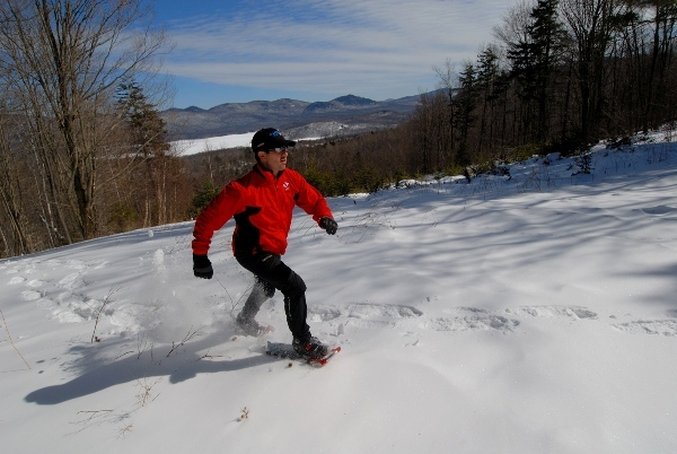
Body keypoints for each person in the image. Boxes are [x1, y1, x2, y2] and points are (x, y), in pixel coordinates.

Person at [191, 128, 338, 359]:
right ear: (261, 155)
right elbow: (207, 220)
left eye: (285, 148)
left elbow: (314, 199)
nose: (284, 154)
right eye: (278, 149)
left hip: (272, 248)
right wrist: (200, 255)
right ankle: (303, 342)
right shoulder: (241, 190)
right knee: (294, 286)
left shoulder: (291, 179)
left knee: (267, 286)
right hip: (250, 251)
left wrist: (324, 216)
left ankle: (244, 320)